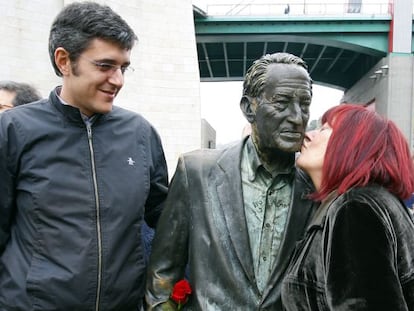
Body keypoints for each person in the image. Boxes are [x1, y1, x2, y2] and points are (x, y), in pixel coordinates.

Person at [0, 2, 168, 310]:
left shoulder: (141, 134)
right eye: (105, 66)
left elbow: (167, 222)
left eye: (123, 67)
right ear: (64, 61)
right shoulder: (13, 130)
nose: (118, 80)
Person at [146, 52, 319, 310]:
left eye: (304, 104)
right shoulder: (196, 174)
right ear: (250, 108)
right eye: (282, 102)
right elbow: (162, 276)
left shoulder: (317, 183)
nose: (297, 117)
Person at [282, 104, 414, 310]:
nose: (308, 135)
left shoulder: (354, 209)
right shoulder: (370, 202)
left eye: (324, 129)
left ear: (353, 144)